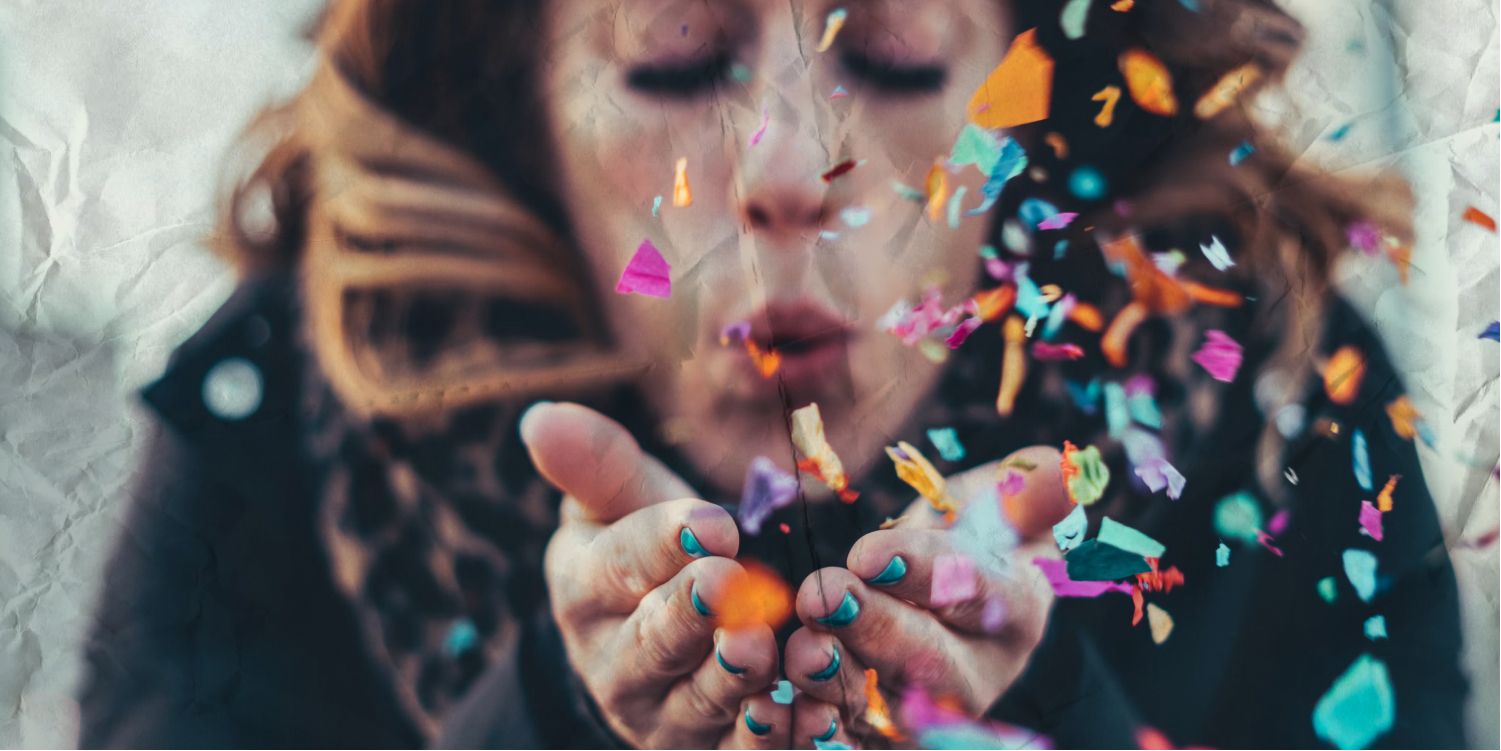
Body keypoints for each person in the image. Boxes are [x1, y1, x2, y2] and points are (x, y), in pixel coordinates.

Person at [78, 0, 1469, 747]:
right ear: (521, 102)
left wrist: (1051, 725)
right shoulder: (297, 398)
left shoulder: (1290, 405)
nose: (787, 171)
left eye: (895, 54)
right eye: (674, 59)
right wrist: (552, 730)